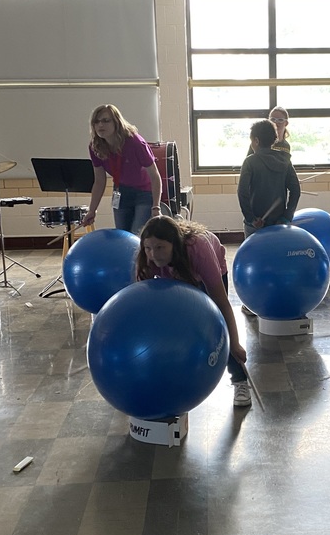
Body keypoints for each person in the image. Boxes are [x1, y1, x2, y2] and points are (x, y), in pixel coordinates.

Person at [137, 215, 252, 408]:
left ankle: (240, 380)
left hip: (205, 268)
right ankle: (177, 376)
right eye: (148, 248)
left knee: (215, 323)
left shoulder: (198, 249)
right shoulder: (147, 260)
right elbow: (143, 306)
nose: (154, 254)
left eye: (160, 247)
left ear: (173, 244)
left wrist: (235, 343)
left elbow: (223, 304)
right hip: (174, 276)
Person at [82, 104, 162, 235]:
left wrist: (156, 207)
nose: (100, 125)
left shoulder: (135, 142)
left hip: (144, 192)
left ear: (117, 122)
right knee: (122, 235)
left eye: (106, 121)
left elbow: (155, 176)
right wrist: (92, 210)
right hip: (121, 192)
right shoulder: (95, 146)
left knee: (136, 235)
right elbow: (99, 181)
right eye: (96, 122)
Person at [238, 119, 300, 238]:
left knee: (254, 250)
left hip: (256, 224)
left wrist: (251, 218)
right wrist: (286, 217)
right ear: (274, 139)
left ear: (256, 141)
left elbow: (242, 192)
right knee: (277, 249)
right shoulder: (285, 160)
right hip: (279, 222)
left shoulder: (250, 161)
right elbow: (296, 190)